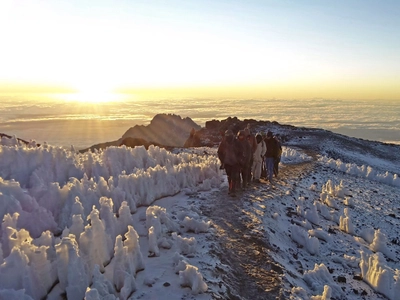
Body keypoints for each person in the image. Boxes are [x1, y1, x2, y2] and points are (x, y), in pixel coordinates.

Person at [217, 130, 242, 196]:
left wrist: (239, 160)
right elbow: (219, 152)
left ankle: (232, 190)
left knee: (234, 176)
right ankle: (231, 189)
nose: (228, 137)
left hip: (235, 162)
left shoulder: (236, 142)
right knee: (230, 176)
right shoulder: (223, 142)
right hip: (227, 162)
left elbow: (241, 151)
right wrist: (222, 160)